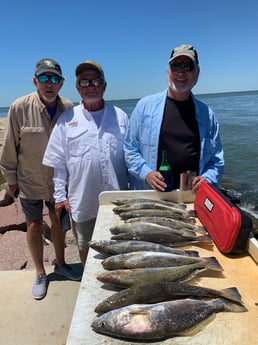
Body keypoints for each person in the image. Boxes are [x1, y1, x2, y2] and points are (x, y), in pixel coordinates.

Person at [0, 58, 81, 300]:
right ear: (35, 80)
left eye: (54, 78)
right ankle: (39, 272)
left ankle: (62, 264)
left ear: (61, 83)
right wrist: (11, 180)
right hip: (30, 180)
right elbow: (9, 147)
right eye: (44, 78)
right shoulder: (18, 107)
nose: (49, 83)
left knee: (58, 223)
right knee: (34, 225)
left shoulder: (69, 107)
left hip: (58, 181)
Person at [43, 60, 129, 266]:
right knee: (86, 247)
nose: (90, 86)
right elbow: (59, 164)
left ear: (104, 86)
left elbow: (132, 158)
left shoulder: (121, 117)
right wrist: (60, 197)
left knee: (123, 245)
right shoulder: (66, 120)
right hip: (82, 201)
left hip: (118, 200)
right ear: (77, 88)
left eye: (96, 81)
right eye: (84, 82)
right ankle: (88, 283)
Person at [124, 44, 224, 193]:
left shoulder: (207, 115)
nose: (181, 72)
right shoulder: (144, 107)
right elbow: (130, 148)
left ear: (197, 73)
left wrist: (207, 179)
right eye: (176, 65)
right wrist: (146, 173)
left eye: (187, 66)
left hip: (192, 197)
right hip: (153, 197)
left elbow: (216, 160)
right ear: (168, 71)